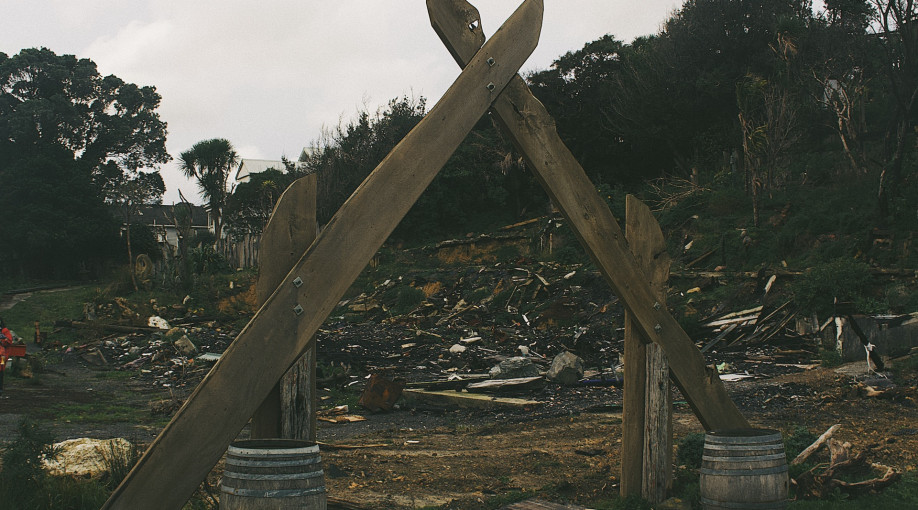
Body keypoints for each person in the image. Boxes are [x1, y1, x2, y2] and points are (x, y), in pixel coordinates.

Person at [0, 318, 13, 396]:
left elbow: (9, 341)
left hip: (2, 356)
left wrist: (2, 340)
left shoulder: (5, 331)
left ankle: (0, 389)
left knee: (1, 371)